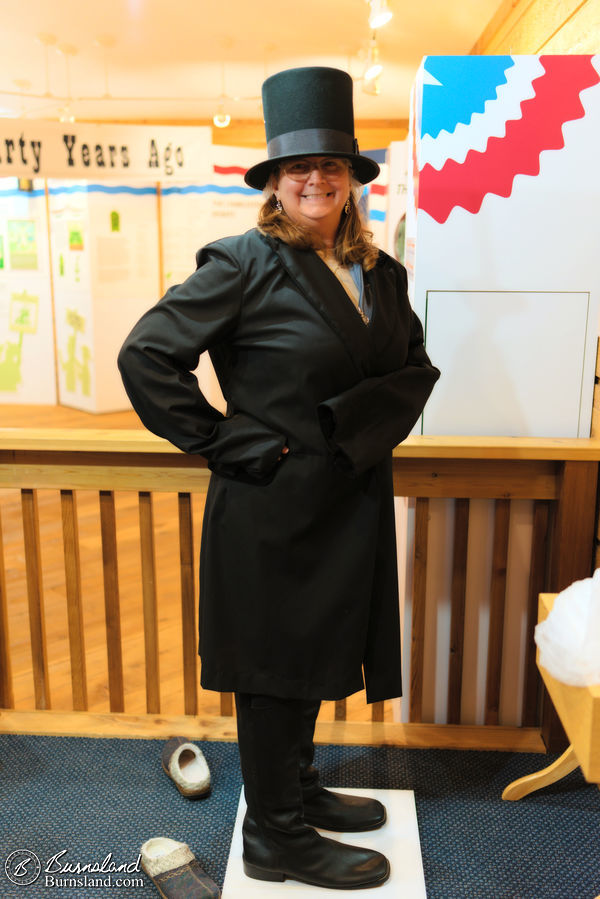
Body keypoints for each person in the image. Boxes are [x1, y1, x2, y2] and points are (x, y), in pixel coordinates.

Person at [118, 66, 439, 891]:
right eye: (299, 167)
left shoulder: (383, 273)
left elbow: (414, 366)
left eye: (331, 165)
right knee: (273, 668)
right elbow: (146, 355)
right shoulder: (243, 264)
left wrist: (350, 428)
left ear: (352, 178)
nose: (316, 179)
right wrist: (224, 441)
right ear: (273, 180)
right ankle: (275, 834)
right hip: (270, 502)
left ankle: (295, 786)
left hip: (348, 499)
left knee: (316, 652)